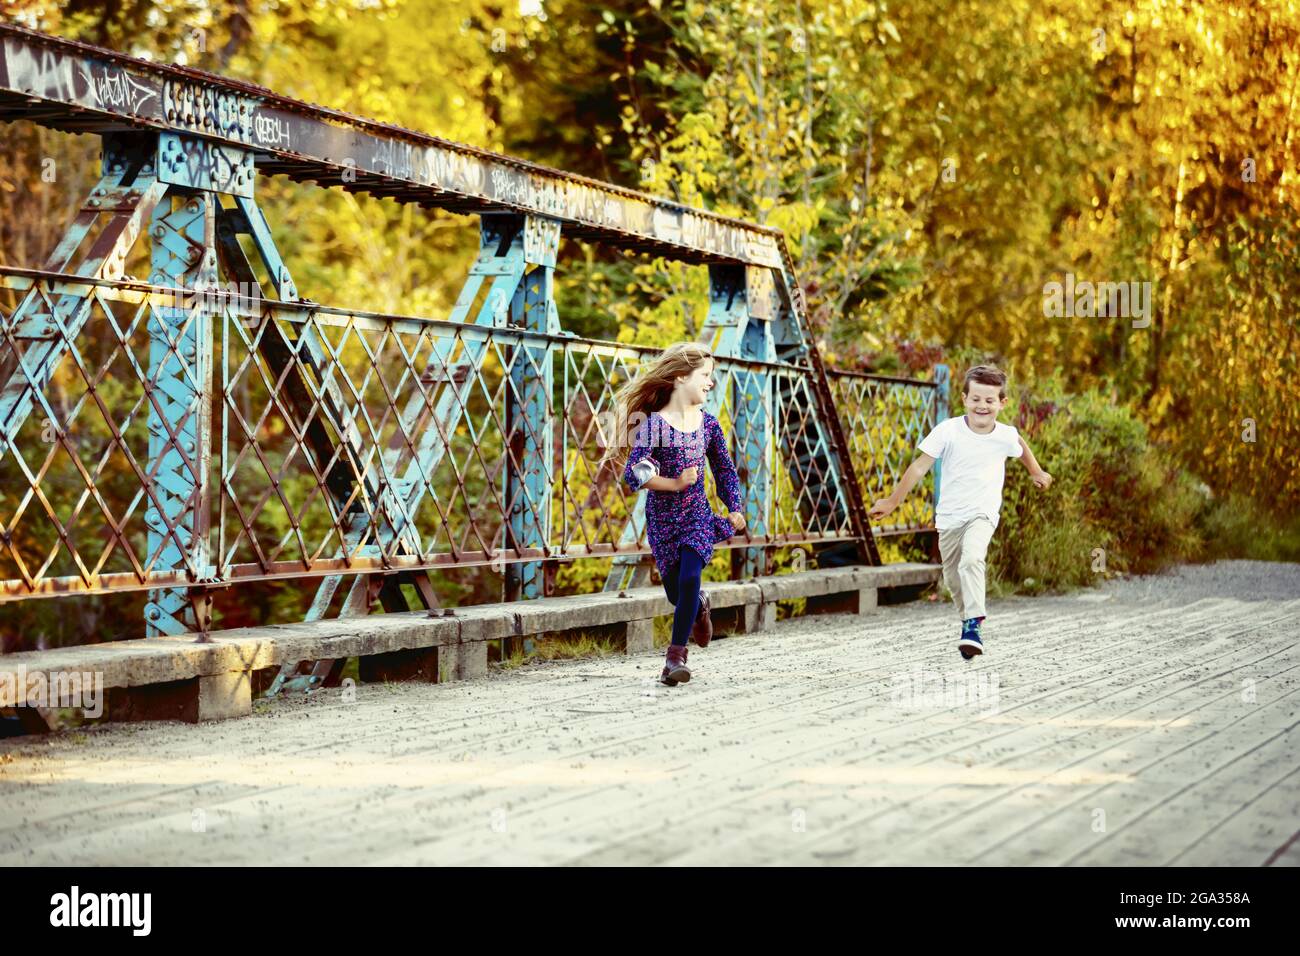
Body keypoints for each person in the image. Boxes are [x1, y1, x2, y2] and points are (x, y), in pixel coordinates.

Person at [869, 365, 1052, 659]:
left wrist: (1037, 471)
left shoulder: (1004, 434)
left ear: (1002, 404)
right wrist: (892, 501)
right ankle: (968, 624)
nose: (982, 406)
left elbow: (1018, 443)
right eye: (976, 399)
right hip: (950, 519)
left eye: (990, 400)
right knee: (953, 580)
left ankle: (972, 627)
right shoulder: (948, 430)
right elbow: (918, 467)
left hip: (983, 514)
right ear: (964, 399)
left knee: (972, 559)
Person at [602, 343, 746, 685]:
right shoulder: (654, 425)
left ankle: (675, 658)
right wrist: (673, 482)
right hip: (663, 521)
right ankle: (699, 607)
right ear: (681, 377)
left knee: (688, 576)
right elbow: (635, 473)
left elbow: (724, 470)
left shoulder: (708, 425)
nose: (710, 383)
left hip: (698, 515)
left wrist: (735, 507)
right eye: (705, 376)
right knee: (676, 593)